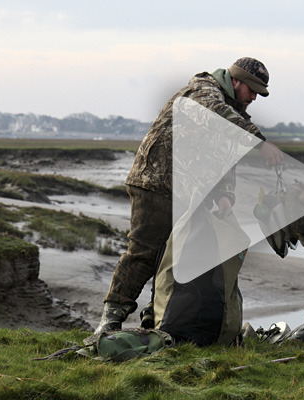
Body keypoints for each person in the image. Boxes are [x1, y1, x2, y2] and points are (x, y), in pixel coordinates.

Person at [95, 57, 283, 335]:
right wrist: (260, 143)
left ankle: (155, 322)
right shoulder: (203, 92)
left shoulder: (234, 113)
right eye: (252, 90)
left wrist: (225, 195)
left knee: (174, 259)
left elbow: (225, 157)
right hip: (155, 182)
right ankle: (109, 321)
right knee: (144, 254)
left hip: (190, 192)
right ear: (235, 82)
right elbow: (216, 114)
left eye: (259, 93)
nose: (254, 97)